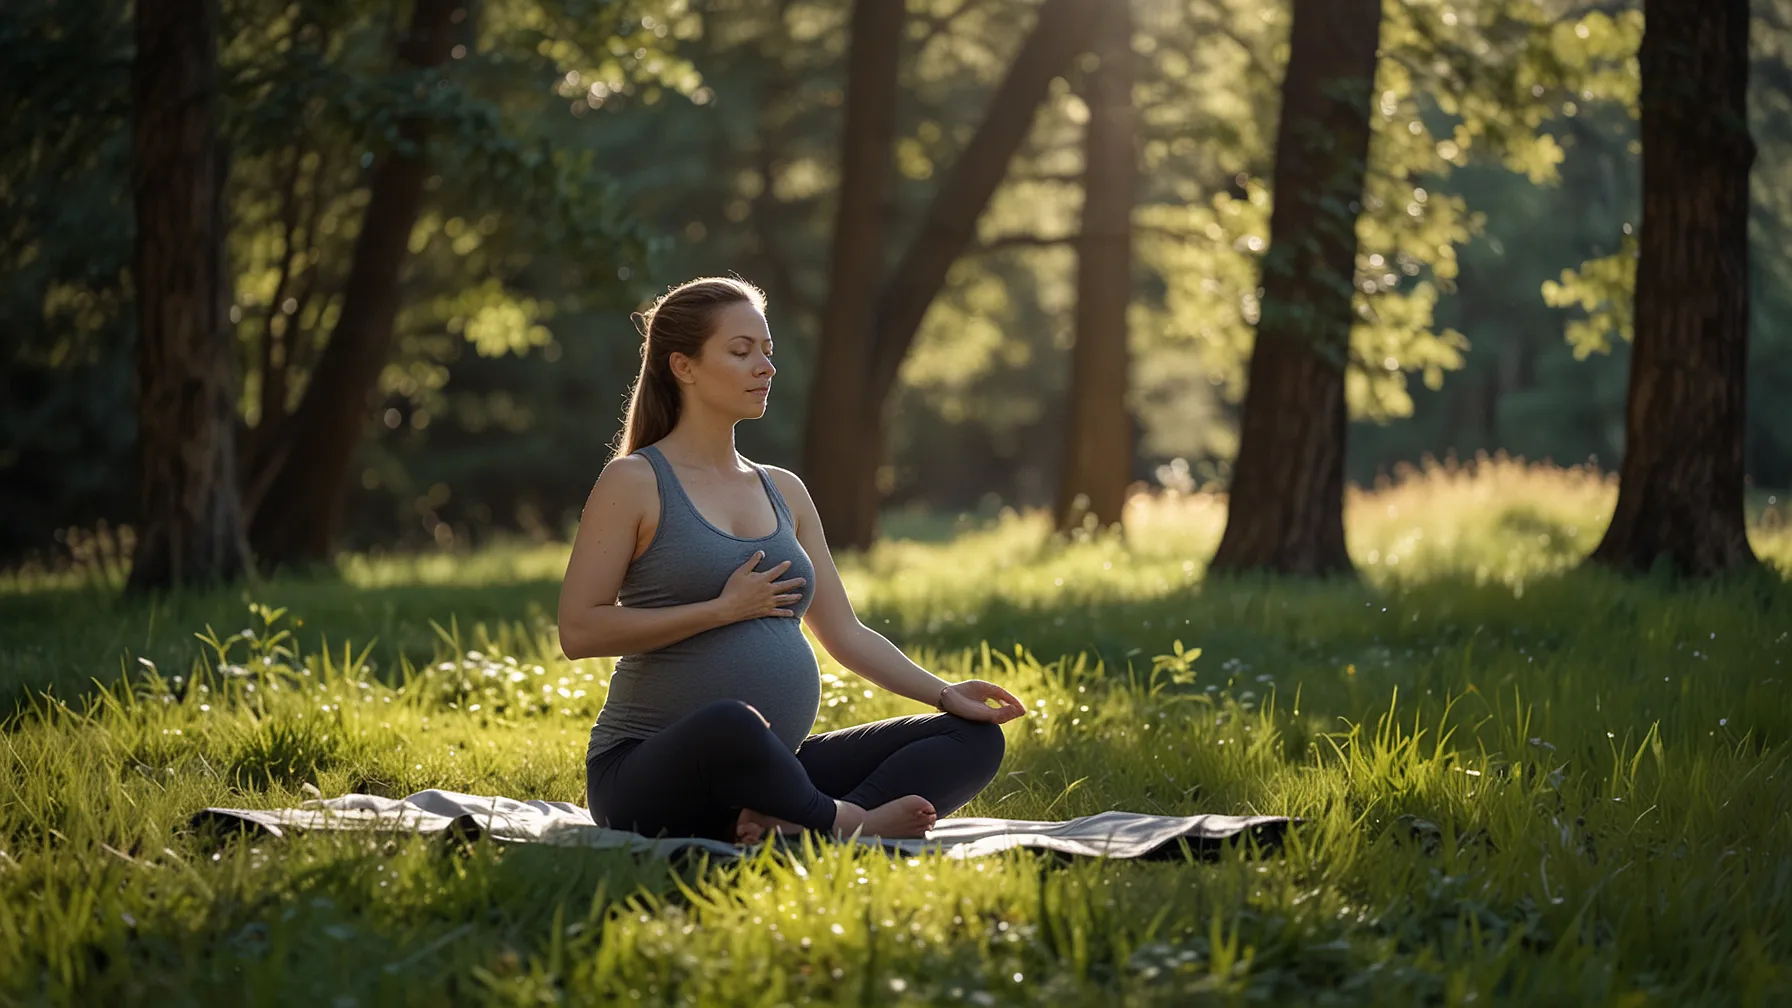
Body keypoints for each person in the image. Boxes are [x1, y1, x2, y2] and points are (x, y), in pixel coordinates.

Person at [557, 276, 1027, 845]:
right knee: (731, 722)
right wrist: (721, 609)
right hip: (646, 774)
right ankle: (848, 823)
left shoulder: (784, 490)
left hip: (772, 765)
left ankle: (797, 823)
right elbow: (579, 629)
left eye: (768, 351)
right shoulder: (634, 481)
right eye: (741, 351)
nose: (765, 367)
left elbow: (845, 633)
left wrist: (946, 694)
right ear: (684, 367)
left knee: (970, 739)